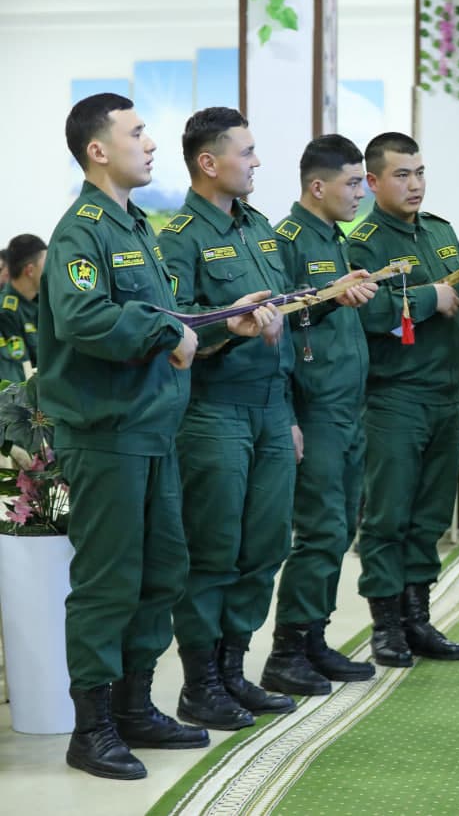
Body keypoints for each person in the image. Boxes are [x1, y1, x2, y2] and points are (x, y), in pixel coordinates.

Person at [44, 93, 271, 779]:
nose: (150, 143)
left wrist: (221, 323)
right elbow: (85, 316)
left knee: (159, 574)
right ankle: (93, 726)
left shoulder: (139, 226)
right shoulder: (82, 231)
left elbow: (172, 319)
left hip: (156, 428)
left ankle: (135, 704)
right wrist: (165, 330)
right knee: (108, 582)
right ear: (98, 149)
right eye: (137, 133)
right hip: (108, 431)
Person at [162, 106, 297, 730]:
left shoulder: (260, 229)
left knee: (264, 545)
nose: (257, 162)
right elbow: (174, 324)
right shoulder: (178, 238)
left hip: (271, 408)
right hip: (214, 410)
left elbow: (286, 317)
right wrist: (228, 318)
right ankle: (200, 683)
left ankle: (235, 668)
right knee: (214, 549)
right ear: (208, 162)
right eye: (246, 152)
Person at [346, 131, 459, 668]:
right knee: (388, 515)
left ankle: (418, 616)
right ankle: (387, 624)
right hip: (394, 397)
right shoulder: (360, 245)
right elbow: (366, 314)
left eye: (420, 172)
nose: (415, 184)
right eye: (402, 174)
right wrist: (429, 297)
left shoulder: (441, 231)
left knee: (429, 515)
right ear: (374, 181)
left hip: (447, 392)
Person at [259, 134, 379, 696]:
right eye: (353, 183)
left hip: (347, 404)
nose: (362, 192)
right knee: (321, 527)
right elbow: (278, 332)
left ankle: (314, 638)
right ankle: (287, 649)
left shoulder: (334, 237)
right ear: (317, 186)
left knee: (340, 526)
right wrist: (289, 415)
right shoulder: (286, 241)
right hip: (315, 406)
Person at [0, 233, 46, 383]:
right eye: (45, 264)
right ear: (30, 270)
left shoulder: (41, 302)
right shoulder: (6, 312)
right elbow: (18, 376)